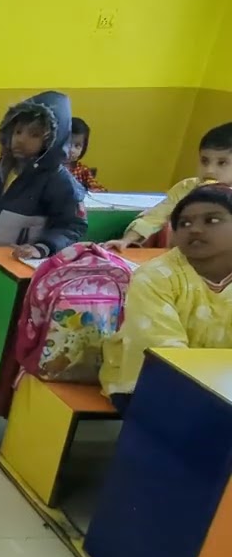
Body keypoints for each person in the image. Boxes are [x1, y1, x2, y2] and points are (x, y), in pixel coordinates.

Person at [99, 184, 232, 414]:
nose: (196, 230)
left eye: (212, 221)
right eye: (185, 224)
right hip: (149, 381)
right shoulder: (155, 276)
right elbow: (164, 356)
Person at [0, 91, 87, 277]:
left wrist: (42, 247)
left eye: (34, 135)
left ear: (53, 140)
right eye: (18, 131)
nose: (21, 139)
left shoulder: (58, 181)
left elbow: (72, 225)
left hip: (19, 270)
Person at [104, 122, 232, 252]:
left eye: (222, 163)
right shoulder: (186, 188)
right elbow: (154, 217)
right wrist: (126, 240)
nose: (209, 170)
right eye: (204, 161)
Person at [65, 117, 105, 192]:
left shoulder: (83, 170)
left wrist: (95, 190)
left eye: (77, 146)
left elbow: (99, 188)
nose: (71, 150)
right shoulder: (51, 168)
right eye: (67, 144)